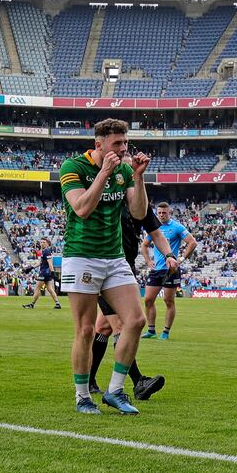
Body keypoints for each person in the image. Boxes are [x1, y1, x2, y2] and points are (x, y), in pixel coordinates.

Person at [59, 118, 153, 415]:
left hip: (114, 258)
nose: (124, 149)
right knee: (86, 330)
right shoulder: (72, 168)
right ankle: (82, 395)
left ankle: (115, 390)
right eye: (117, 144)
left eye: (126, 143)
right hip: (82, 255)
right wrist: (104, 173)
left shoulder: (125, 169)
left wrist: (138, 178)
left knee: (136, 321)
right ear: (98, 144)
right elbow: (82, 209)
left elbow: (138, 213)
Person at [89, 164, 178, 401]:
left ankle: (89, 381)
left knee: (104, 328)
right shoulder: (108, 202)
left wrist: (169, 255)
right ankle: (137, 381)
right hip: (105, 268)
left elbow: (157, 235)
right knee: (122, 324)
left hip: (123, 270)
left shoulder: (140, 206)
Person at [141, 202, 197, 340]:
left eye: (164, 212)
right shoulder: (154, 227)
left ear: (169, 212)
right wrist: (148, 261)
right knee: (148, 300)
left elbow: (192, 242)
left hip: (171, 269)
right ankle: (151, 330)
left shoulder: (177, 227)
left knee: (168, 301)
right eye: (159, 213)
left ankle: (165, 332)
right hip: (156, 270)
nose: (161, 215)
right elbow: (144, 245)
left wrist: (181, 259)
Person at [22, 237, 61, 309]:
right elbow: (40, 262)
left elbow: (50, 263)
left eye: (44, 242)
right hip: (47, 272)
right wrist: (31, 268)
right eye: (41, 242)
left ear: (47, 243)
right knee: (50, 289)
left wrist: (52, 272)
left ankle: (32, 304)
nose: (42, 243)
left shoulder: (47, 251)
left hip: (44, 272)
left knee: (37, 288)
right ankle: (57, 303)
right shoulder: (44, 251)